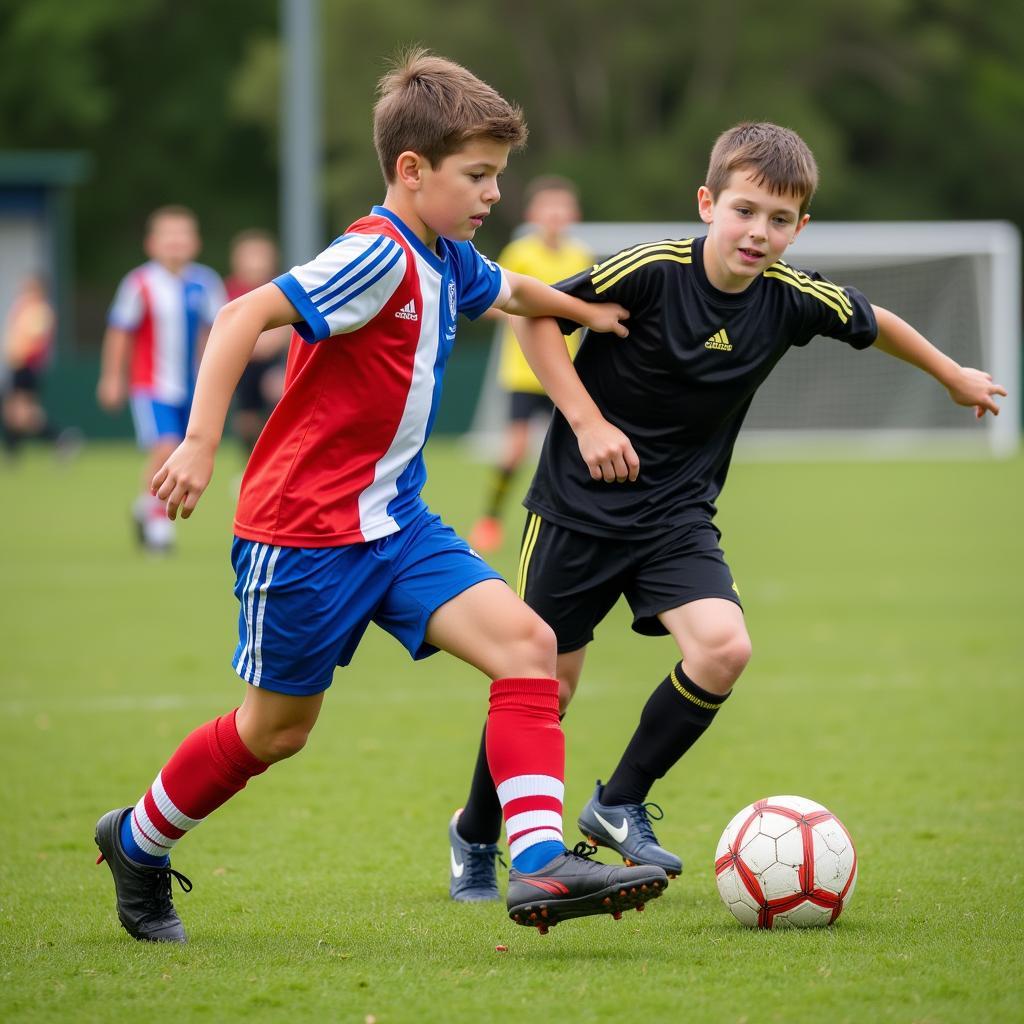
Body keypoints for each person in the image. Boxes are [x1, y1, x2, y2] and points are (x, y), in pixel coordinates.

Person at [93, 49, 667, 945]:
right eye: (476, 176)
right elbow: (245, 314)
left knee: (529, 645)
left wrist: (583, 310)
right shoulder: (374, 256)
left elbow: (509, 290)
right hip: (304, 537)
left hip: (396, 525)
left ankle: (540, 859)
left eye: (497, 177)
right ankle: (137, 840)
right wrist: (201, 444)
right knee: (275, 732)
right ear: (411, 171)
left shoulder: (449, 254)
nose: (491, 196)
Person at [447, 121, 1007, 900]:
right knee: (543, 685)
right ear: (708, 203)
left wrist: (953, 376)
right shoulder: (650, 271)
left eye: (779, 219)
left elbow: (876, 322)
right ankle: (476, 833)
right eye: (744, 211)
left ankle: (617, 801)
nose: (758, 232)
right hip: (578, 510)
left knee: (722, 649)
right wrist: (586, 420)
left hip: (676, 516)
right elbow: (535, 315)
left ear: (800, 227)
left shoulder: (789, 298)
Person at [467, 176, 592, 553]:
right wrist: (526, 315)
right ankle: (490, 519)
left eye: (562, 208)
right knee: (516, 451)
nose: (555, 215)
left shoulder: (579, 257)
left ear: (573, 215)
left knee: (575, 454)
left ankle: (577, 528)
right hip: (523, 373)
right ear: (533, 215)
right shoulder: (520, 253)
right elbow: (490, 300)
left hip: (565, 373)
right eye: (548, 208)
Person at [97, 205, 226, 552]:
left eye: (182, 235)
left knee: (184, 450)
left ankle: (145, 505)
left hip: (193, 387)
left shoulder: (206, 282)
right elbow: (120, 332)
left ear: (195, 242)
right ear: (152, 243)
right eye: (168, 236)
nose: (175, 242)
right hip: (151, 386)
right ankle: (157, 523)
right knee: (165, 447)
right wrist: (111, 377)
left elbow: (217, 333)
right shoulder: (139, 283)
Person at [224, 229, 291, 457]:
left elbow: (284, 332)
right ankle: (249, 465)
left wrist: (264, 345)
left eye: (260, 256)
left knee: (277, 400)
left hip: (274, 363)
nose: (255, 264)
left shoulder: (279, 288)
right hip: (242, 365)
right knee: (246, 420)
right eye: (249, 257)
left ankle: (277, 462)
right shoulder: (227, 290)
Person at [1, 273, 77, 458]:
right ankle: (13, 451)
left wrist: (21, 356)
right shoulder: (24, 308)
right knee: (14, 412)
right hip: (18, 367)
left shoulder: (40, 311)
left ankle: (60, 438)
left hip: (27, 368)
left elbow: (34, 343)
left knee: (23, 414)